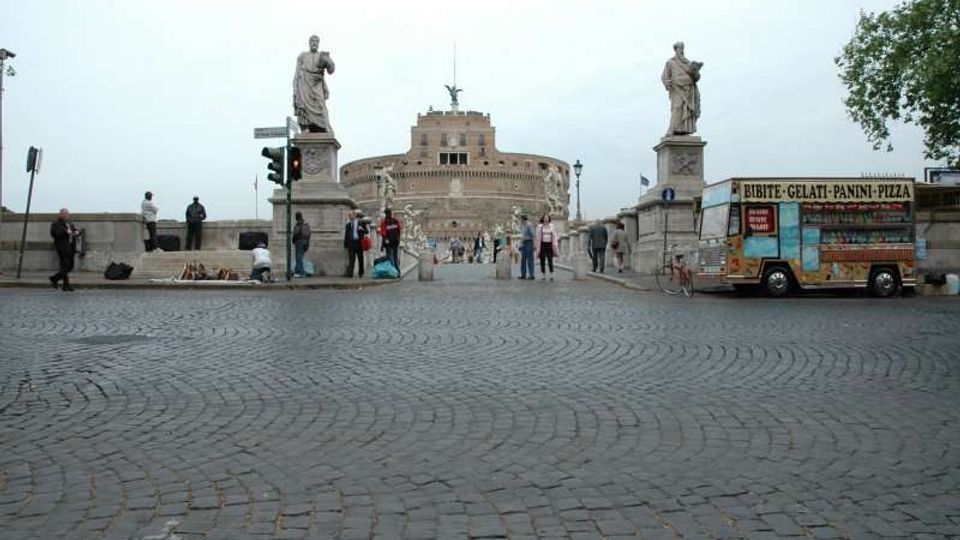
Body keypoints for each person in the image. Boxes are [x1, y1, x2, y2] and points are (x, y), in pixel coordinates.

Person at [293, 34, 336, 133]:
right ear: (309, 42)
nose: (314, 43)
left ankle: (325, 127)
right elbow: (296, 73)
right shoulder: (302, 55)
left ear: (318, 43)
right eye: (312, 41)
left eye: (316, 41)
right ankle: (306, 127)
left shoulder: (321, 55)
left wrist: (329, 61)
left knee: (321, 106)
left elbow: (331, 70)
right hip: (303, 84)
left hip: (317, 85)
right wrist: (295, 89)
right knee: (303, 105)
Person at [662, 41, 703, 136]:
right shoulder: (670, 62)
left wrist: (695, 72)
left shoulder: (688, 63)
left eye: (682, 48)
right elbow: (664, 76)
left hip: (689, 89)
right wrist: (667, 83)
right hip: (677, 88)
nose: (681, 50)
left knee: (686, 110)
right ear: (675, 49)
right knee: (677, 107)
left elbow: (696, 77)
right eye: (679, 48)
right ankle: (672, 129)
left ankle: (684, 129)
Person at [49, 208, 80, 292]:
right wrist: (66, 232)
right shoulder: (56, 223)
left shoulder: (69, 223)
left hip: (71, 247)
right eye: (63, 213)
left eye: (66, 213)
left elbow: (74, 230)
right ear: (60, 214)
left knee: (70, 266)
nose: (65, 215)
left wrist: (77, 232)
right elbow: (55, 233)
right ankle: (66, 285)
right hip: (62, 247)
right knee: (65, 265)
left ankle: (54, 278)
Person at [343, 211, 368, 278]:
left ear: (355, 215)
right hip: (351, 243)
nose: (350, 217)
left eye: (351, 215)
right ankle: (350, 273)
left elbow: (367, 231)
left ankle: (361, 273)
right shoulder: (348, 225)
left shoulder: (361, 223)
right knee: (351, 259)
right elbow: (346, 235)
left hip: (359, 242)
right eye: (349, 216)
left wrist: (362, 229)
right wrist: (345, 244)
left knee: (360, 258)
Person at [534, 214, 560, 281]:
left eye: (547, 218)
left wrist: (555, 244)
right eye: (545, 218)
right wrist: (536, 244)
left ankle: (551, 273)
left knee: (550, 259)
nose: (546, 219)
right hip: (542, 244)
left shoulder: (552, 226)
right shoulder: (540, 226)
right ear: (543, 219)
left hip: (549, 244)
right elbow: (537, 236)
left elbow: (554, 235)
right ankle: (543, 274)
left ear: (549, 219)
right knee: (542, 259)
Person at [379, 208, 402, 273]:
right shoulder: (396, 221)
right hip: (396, 242)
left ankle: (392, 272)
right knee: (395, 257)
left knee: (390, 258)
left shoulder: (384, 223)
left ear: (385, 214)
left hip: (389, 243)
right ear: (391, 213)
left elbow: (384, 234)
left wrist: (382, 245)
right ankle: (398, 271)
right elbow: (399, 232)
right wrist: (398, 240)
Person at [292, 211, 311, 277]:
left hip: (299, 242)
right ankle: (297, 271)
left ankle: (301, 272)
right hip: (305, 242)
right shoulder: (306, 224)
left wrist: (293, 240)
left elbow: (295, 233)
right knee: (300, 258)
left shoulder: (298, 224)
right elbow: (309, 234)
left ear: (297, 217)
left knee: (298, 258)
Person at [519, 214, 535, 279]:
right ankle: (523, 274)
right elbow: (522, 236)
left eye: (521, 219)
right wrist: (521, 244)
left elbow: (533, 234)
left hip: (529, 242)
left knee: (530, 259)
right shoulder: (523, 226)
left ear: (523, 219)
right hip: (524, 243)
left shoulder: (529, 225)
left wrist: (534, 244)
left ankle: (531, 274)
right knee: (523, 259)